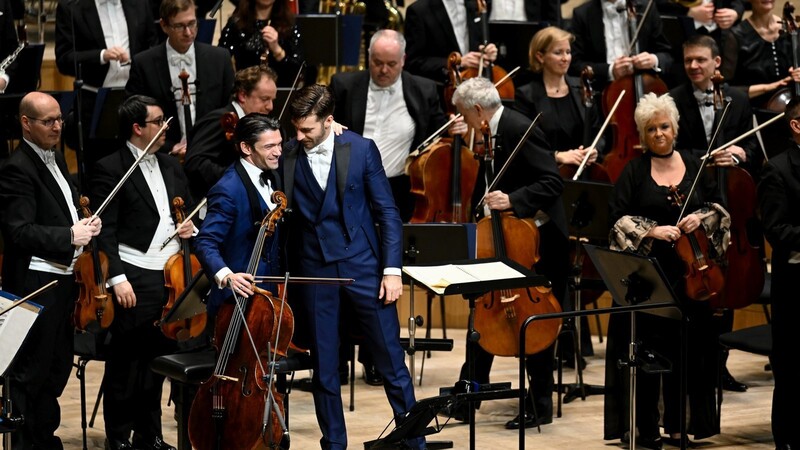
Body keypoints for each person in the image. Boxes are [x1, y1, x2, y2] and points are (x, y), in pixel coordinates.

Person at [280, 84, 422, 450]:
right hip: (313, 272)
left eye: (308, 129)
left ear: (329, 121)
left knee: (391, 363)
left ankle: (413, 444)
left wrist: (392, 270)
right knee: (325, 370)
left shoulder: (360, 149)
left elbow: (388, 213)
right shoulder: (287, 153)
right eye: (296, 128)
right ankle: (334, 446)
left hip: (363, 267)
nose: (299, 136)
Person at [605, 92, 729, 449]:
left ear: (674, 128)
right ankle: (646, 429)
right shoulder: (634, 171)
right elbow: (615, 221)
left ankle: (680, 427)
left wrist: (700, 216)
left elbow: (720, 211)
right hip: (649, 277)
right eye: (651, 128)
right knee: (647, 354)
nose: (659, 133)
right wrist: (652, 230)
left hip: (693, 275)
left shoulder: (694, 163)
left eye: (664, 126)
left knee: (687, 354)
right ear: (643, 135)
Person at [450, 76, 569, 430]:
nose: (466, 123)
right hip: (502, 239)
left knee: (535, 322)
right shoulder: (491, 133)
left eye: (465, 116)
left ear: (477, 111)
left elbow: (552, 181)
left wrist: (513, 200)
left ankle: (541, 404)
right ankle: (467, 397)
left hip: (535, 242)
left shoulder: (518, 128)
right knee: (486, 316)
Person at [89, 95, 193, 450]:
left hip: (171, 275)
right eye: (159, 121)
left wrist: (190, 227)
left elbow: (187, 211)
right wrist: (117, 280)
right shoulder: (110, 168)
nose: (166, 127)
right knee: (126, 361)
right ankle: (118, 437)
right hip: (135, 275)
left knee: (158, 359)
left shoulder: (171, 166)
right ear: (137, 128)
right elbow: (106, 230)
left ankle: (151, 434)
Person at [0, 91, 102, 449]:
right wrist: (69, 234)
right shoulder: (16, 168)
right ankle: (29, 442)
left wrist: (84, 223)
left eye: (60, 119)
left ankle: (45, 438)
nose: (58, 126)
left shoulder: (55, 158)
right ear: (26, 123)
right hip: (36, 284)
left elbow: (60, 210)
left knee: (57, 368)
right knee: (33, 371)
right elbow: (18, 230)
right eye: (49, 121)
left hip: (62, 282)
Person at [513, 25, 607, 368]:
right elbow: (523, 145)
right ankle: (547, 343)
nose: (565, 59)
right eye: (558, 52)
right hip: (545, 193)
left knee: (570, 269)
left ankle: (571, 344)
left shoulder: (582, 91)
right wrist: (557, 157)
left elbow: (601, 136)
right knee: (550, 267)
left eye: (568, 52)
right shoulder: (526, 94)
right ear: (540, 56)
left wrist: (594, 152)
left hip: (579, 190)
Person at [669, 33, 757, 394]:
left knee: (729, 283)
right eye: (689, 60)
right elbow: (669, 146)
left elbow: (754, 144)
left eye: (700, 60)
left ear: (716, 62)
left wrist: (739, 153)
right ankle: (694, 366)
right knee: (696, 281)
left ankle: (720, 366)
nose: (694, 66)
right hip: (691, 197)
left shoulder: (736, 99)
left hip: (731, 204)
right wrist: (702, 160)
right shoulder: (673, 100)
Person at [330, 29, 449, 222]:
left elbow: (440, 130)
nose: (384, 70)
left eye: (391, 64)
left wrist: (457, 128)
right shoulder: (344, 85)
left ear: (403, 59)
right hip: (351, 185)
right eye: (377, 63)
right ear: (368, 57)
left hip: (400, 188)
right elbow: (324, 123)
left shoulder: (424, 89)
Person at [193, 112, 283, 316]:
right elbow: (205, 241)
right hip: (236, 300)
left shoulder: (272, 175)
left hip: (268, 293)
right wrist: (226, 276)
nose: (278, 152)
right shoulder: (228, 189)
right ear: (246, 148)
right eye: (269, 146)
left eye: (279, 144)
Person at [54, 0, 158, 169]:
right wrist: (102, 55)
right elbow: (64, 59)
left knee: (140, 167)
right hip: (95, 103)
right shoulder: (71, 7)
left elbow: (152, 44)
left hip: (136, 98)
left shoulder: (139, 3)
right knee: (100, 170)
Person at [126, 0, 235, 160]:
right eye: (179, 26)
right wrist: (169, 146)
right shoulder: (143, 63)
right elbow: (135, 114)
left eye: (192, 23)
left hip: (212, 156)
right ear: (164, 26)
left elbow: (229, 108)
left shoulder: (220, 58)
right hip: (163, 157)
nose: (188, 32)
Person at [757, 97, 800, 450]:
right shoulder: (777, 169)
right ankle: (786, 440)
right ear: (796, 125)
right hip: (797, 286)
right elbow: (777, 230)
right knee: (793, 370)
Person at [184, 65, 278, 201]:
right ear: (242, 95)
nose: (270, 107)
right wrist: (238, 177)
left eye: (272, 100)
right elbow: (195, 162)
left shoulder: (247, 124)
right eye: (264, 99)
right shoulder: (220, 120)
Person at [569, 0, 674, 91]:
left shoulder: (646, 8)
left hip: (647, 88)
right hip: (602, 92)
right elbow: (574, 65)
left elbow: (667, 56)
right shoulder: (582, 14)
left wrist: (653, 60)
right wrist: (610, 71)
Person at [721, 0, 800, 107]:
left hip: (791, 103)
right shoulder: (736, 36)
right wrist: (770, 87)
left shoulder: (791, 30)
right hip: (754, 108)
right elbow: (727, 88)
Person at [404, 0, 499, 89]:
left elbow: (480, 42)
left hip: (476, 85)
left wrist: (488, 52)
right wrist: (456, 62)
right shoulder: (419, 10)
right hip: (442, 90)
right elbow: (413, 62)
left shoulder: (476, 4)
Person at [217, 0, 303, 85]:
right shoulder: (236, 23)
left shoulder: (290, 24)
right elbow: (220, 61)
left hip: (280, 91)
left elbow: (298, 70)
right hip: (246, 91)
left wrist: (277, 49)